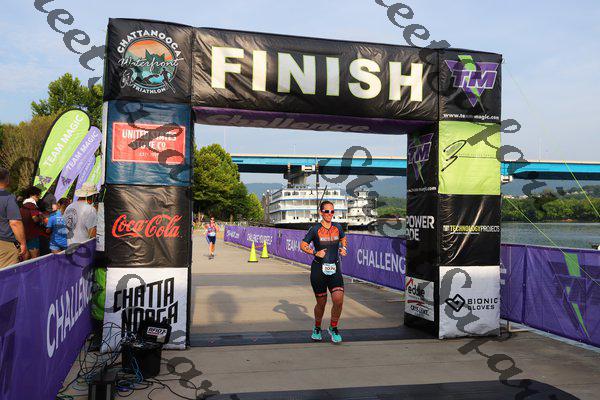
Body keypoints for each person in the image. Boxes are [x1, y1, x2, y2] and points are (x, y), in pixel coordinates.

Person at [300, 200, 348, 344]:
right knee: (321, 303)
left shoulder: (337, 227)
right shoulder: (315, 229)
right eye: (327, 211)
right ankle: (317, 327)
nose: (329, 214)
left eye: (332, 211)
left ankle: (333, 327)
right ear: (321, 212)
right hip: (318, 270)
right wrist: (315, 252)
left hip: (335, 269)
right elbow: (303, 245)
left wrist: (344, 248)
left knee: (338, 300)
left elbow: (343, 238)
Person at [0, 168, 27, 268]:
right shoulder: (8, 197)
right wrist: (23, 243)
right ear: (7, 179)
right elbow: (15, 223)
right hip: (5, 244)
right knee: (6, 275)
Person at [20, 186, 45, 259]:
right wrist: (41, 218)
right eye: (37, 195)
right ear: (31, 195)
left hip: (24, 234)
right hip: (32, 234)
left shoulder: (22, 205)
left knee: (26, 257)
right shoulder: (32, 205)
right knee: (35, 257)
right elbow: (35, 218)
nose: (39, 197)